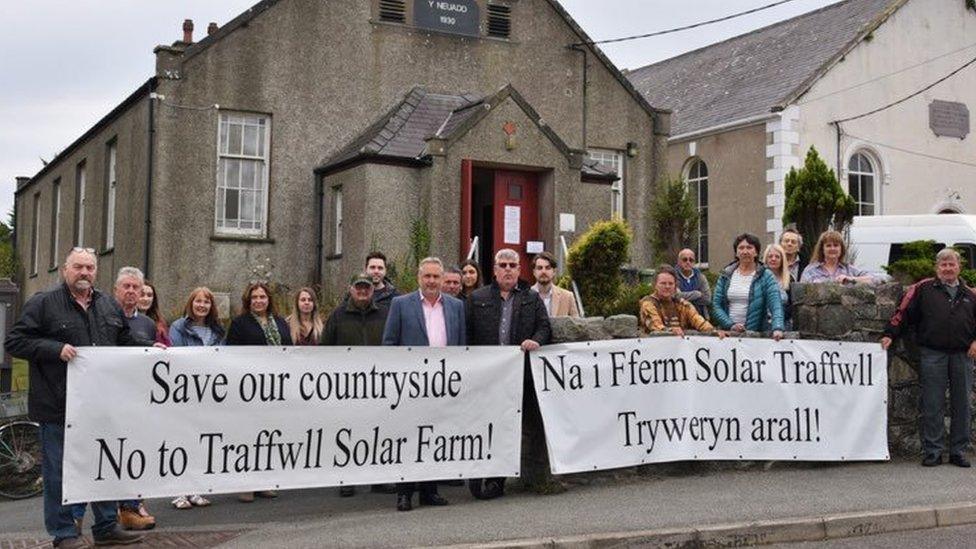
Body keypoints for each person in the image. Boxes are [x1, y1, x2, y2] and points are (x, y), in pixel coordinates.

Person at [5, 248, 154, 548]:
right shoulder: (44, 303)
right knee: (60, 474)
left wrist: (150, 348)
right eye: (78, 267)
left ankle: (106, 526)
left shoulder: (108, 306)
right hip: (59, 407)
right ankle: (63, 534)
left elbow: (124, 342)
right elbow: (15, 341)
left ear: (96, 272)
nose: (84, 273)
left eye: (90, 268)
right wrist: (53, 349)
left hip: (101, 407)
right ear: (65, 270)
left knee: (104, 465)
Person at [466, 249, 551, 499]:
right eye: (502, 265)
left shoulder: (531, 298)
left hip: (519, 376)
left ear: (519, 270)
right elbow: (467, 335)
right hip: (486, 377)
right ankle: (475, 474)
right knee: (483, 425)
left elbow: (544, 327)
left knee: (508, 429)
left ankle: (496, 481)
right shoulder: (478, 298)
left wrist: (535, 340)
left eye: (512, 265)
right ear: (494, 270)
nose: (507, 269)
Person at [382, 257, 465, 511]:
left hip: (442, 385)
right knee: (408, 439)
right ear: (419, 278)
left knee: (435, 438)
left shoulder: (456, 306)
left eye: (435, 277)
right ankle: (404, 493)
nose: (431, 281)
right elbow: (389, 343)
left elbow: (461, 346)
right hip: (410, 387)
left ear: (442, 279)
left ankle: (430, 491)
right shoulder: (400, 304)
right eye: (427, 276)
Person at [882, 249, 976, 468]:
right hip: (932, 353)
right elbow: (902, 314)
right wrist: (889, 334)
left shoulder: (970, 294)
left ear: (959, 267)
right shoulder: (922, 289)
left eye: (951, 264)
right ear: (937, 268)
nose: (947, 268)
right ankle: (933, 451)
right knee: (932, 403)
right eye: (943, 265)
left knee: (962, 404)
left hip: (963, 355)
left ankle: (958, 451)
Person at [322, 273, 393, 497]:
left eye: (367, 288)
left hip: (378, 385)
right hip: (347, 387)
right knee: (347, 433)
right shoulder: (338, 315)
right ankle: (348, 479)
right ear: (350, 288)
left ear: (373, 290)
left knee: (378, 431)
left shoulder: (385, 313)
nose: (363, 291)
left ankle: (378, 479)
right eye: (358, 288)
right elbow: (325, 349)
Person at [225, 282, 292, 502]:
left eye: (262, 297)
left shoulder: (281, 323)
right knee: (247, 436)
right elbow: (231, 356)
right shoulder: (239, 324)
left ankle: (264, 481)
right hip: (249, 389)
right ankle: (245, 483)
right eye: (254, 297)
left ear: (268, 299)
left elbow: (289, 351)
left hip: (275, 389)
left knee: (269, 436)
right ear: (248, 300)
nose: (258, 301)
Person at [167, 287, 224, 509]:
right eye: (198, 301)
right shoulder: (179, 327)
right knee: (181, 441)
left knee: (201, 441)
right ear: (191, 303)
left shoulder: (217, 330)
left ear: (211, 306)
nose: (202, 305)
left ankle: (196, 489)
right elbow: (176, 356)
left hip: (209, 392)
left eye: (206, 302)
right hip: (185, 392)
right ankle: (178, 491)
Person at [112, 267, 158, 531]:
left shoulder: (147, 325)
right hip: (108, 398)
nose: (130, 291)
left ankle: (130, 508)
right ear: (116, 289)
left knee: (134, 453)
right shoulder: (103, 318)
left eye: (135, 288)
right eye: (126, 286)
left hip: (137, 400)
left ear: (141, 293)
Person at [712, 233, 785, 340]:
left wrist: (777, 327)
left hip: (755, 336)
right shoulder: (725, 275)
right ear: (736, 253)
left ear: (756, 252)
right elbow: (716, 305)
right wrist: (730, 325)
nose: (745, 251)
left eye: (749, 248)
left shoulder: (766, 275)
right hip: (728, 334)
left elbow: (776, 304)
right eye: (741, 248)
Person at [639, 265, 718, 336]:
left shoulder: (682, 304)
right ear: (655, 285)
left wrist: (714, 332)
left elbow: (698, 320)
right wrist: (670, 331)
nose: (667, 286)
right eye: (663, 283)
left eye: (671, 283)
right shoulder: (648, 303)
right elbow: (656, 326)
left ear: (675, 286)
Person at [800, 230, 875, 284]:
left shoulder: (849, 269)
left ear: (841, 249)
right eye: (828, 246)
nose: (832, 248)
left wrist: (851, 279)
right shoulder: (810, 271)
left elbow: (874, 279)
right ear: (822, 249)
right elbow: (801, 293)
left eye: (836, 245)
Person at [530, 252, 579, 317]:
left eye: (547, 268)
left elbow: (576, 325)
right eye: (539, 268)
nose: (543, 271)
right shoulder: (523, 297)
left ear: (554, 272)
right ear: (534, 272)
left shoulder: (568, 297)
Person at [763, 244, 793, 330]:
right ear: (766, 259)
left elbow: (792, 305)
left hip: (784, 323)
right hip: (763, 323)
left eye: (777, 257)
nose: (773, 259)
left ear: (782, 260)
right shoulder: (759, 277)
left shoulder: (789, 279)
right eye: (770, 256)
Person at [675, 248, 711, 319]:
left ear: (694, 262)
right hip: (679, 318)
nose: (688, 262)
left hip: (700, 317)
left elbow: (707, 299)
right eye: (685, 259)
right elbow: (675, 297)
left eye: (691, 260)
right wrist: (697, 294)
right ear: (679, 261)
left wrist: (683, 297)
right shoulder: (673, 276)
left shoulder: (701, 277)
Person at [137, 281, 172, 346]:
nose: (146, 299)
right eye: (142, 295)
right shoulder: (126, 319)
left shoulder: (160, 323)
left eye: (149, 295)